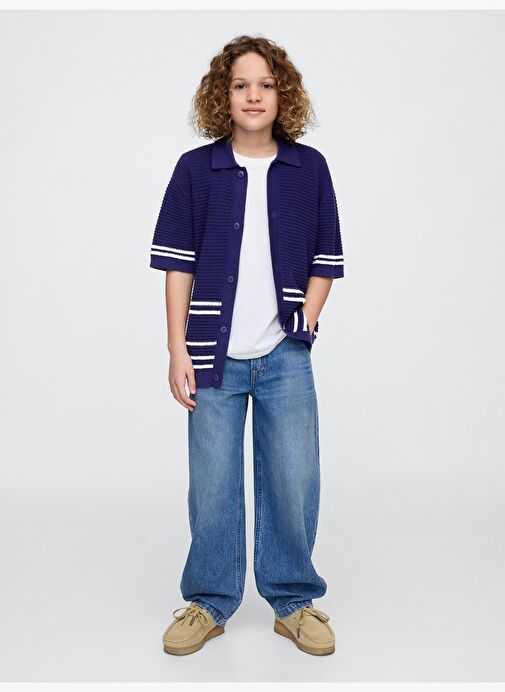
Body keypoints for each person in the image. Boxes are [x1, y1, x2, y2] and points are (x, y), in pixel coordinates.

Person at [149, 35, 344, 656]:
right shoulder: (195, 169)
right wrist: (177, 348)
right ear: (222, 95)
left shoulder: (309, 169)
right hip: (211, 354)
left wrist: (305, 321)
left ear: (283, 95)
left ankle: (294, 601)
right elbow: (177, 264)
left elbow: (326, 257)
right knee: (212, 484)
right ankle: (209, 601)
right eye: (240, 85)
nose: (253, 95)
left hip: (285, 355)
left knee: (294, 477)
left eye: (265, 84)